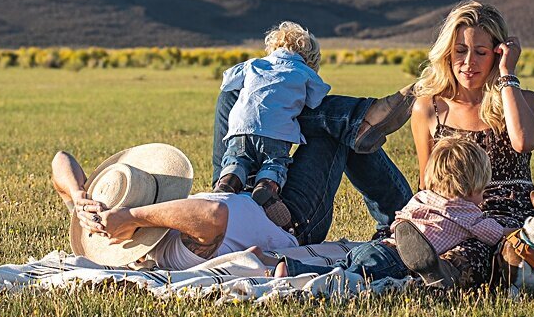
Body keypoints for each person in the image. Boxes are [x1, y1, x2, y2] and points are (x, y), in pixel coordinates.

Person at [408, 0, 534, 287]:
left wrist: (507, 75)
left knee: (494, 250)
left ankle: (440, 274)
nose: (469, 63)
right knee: (445, 244)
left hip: (515, 211)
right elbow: (427, 182)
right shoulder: (428, 107)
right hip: (460, 212)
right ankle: (426, 266)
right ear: (446, 53)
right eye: (460, 51)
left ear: (497, 54)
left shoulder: (524, 101)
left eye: (481, 52)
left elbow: (524, 142)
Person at [208, 73, 417, 246]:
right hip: (285, 223)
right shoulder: (185, 240)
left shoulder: (180, 222)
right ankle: (358, 120)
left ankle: (357, 120)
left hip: (229, 200)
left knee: (239, 93)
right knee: (334, 130)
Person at [273, 135, 507, 282]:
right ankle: (291, 271)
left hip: (380, 245)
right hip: (396, 258)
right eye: (482, 189)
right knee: (349, 279)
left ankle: (291, 268)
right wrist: (517, 230)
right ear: (472, 187)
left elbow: (399, 219)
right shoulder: (467, 214)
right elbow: (496, 235)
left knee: (343, 267)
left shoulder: (424, 197)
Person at [53, 143, 298, 269]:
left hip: (230, 189)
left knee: (235, 90)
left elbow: (61, 158)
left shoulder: (95, 218)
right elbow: (213, 214)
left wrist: (78, 197)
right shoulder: (170, 253)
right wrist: (132, 217)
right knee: (329, 120)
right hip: (286, 216)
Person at [213, 21, 329, 207]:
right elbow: (317, 99)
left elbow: (227, 82)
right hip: (276, 133)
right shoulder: (304, 71)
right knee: (273, 163)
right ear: (311, 59)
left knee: (237, 159)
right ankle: (267, 187)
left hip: (241, 128)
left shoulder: (254, 64)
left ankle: (227, 182)